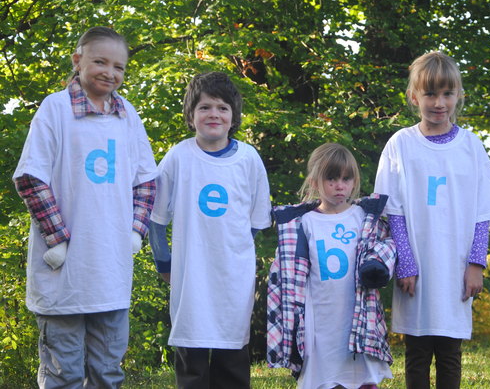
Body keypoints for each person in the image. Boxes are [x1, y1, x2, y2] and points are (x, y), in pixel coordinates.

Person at [13, 26, 157, 388]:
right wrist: (58, 238)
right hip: (62, 273)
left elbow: (147, 180)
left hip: (110, 271)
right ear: (78, 61)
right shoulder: (55, 109)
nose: (110, 72)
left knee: (108, 372)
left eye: (119, 67)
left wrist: (135, 232)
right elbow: (31, 177)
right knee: (65, 373)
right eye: (100, 61)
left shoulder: (128, 117)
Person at [374, 51, 490, 389]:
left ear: (458, 95)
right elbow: (394, 210)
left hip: (455, 269)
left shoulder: (471, 147)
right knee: (417, 352)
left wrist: (476, 263)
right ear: (414, 96)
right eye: (430, 93)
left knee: (449, 353)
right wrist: (406, 264)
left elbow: (481, 213)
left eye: (447, 93)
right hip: (415, 268)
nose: (439, 102)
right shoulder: (401, 144)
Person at [148, 71, 271, 389]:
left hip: (233, 281)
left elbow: (255, 224)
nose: (213, 114)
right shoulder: (178, 157)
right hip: (190, 281)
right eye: (204, 107)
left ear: (233, 117)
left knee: (232, 364)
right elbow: (156, 220)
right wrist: (165, 264)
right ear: (191, 115)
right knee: (193, 366)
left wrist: (231, 255)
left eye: (222, 107)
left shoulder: (249, 160)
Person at [266, 143, 396, 389]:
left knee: (362, 378)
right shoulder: (303, 223)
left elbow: (389, 246)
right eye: (332, 179)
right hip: (321, 319)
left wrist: (378, 264)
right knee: (326, 379)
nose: (340, 186)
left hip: (357, 315)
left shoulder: (363, 217)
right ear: (315, 182)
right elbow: (286, 271)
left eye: (346, 179)